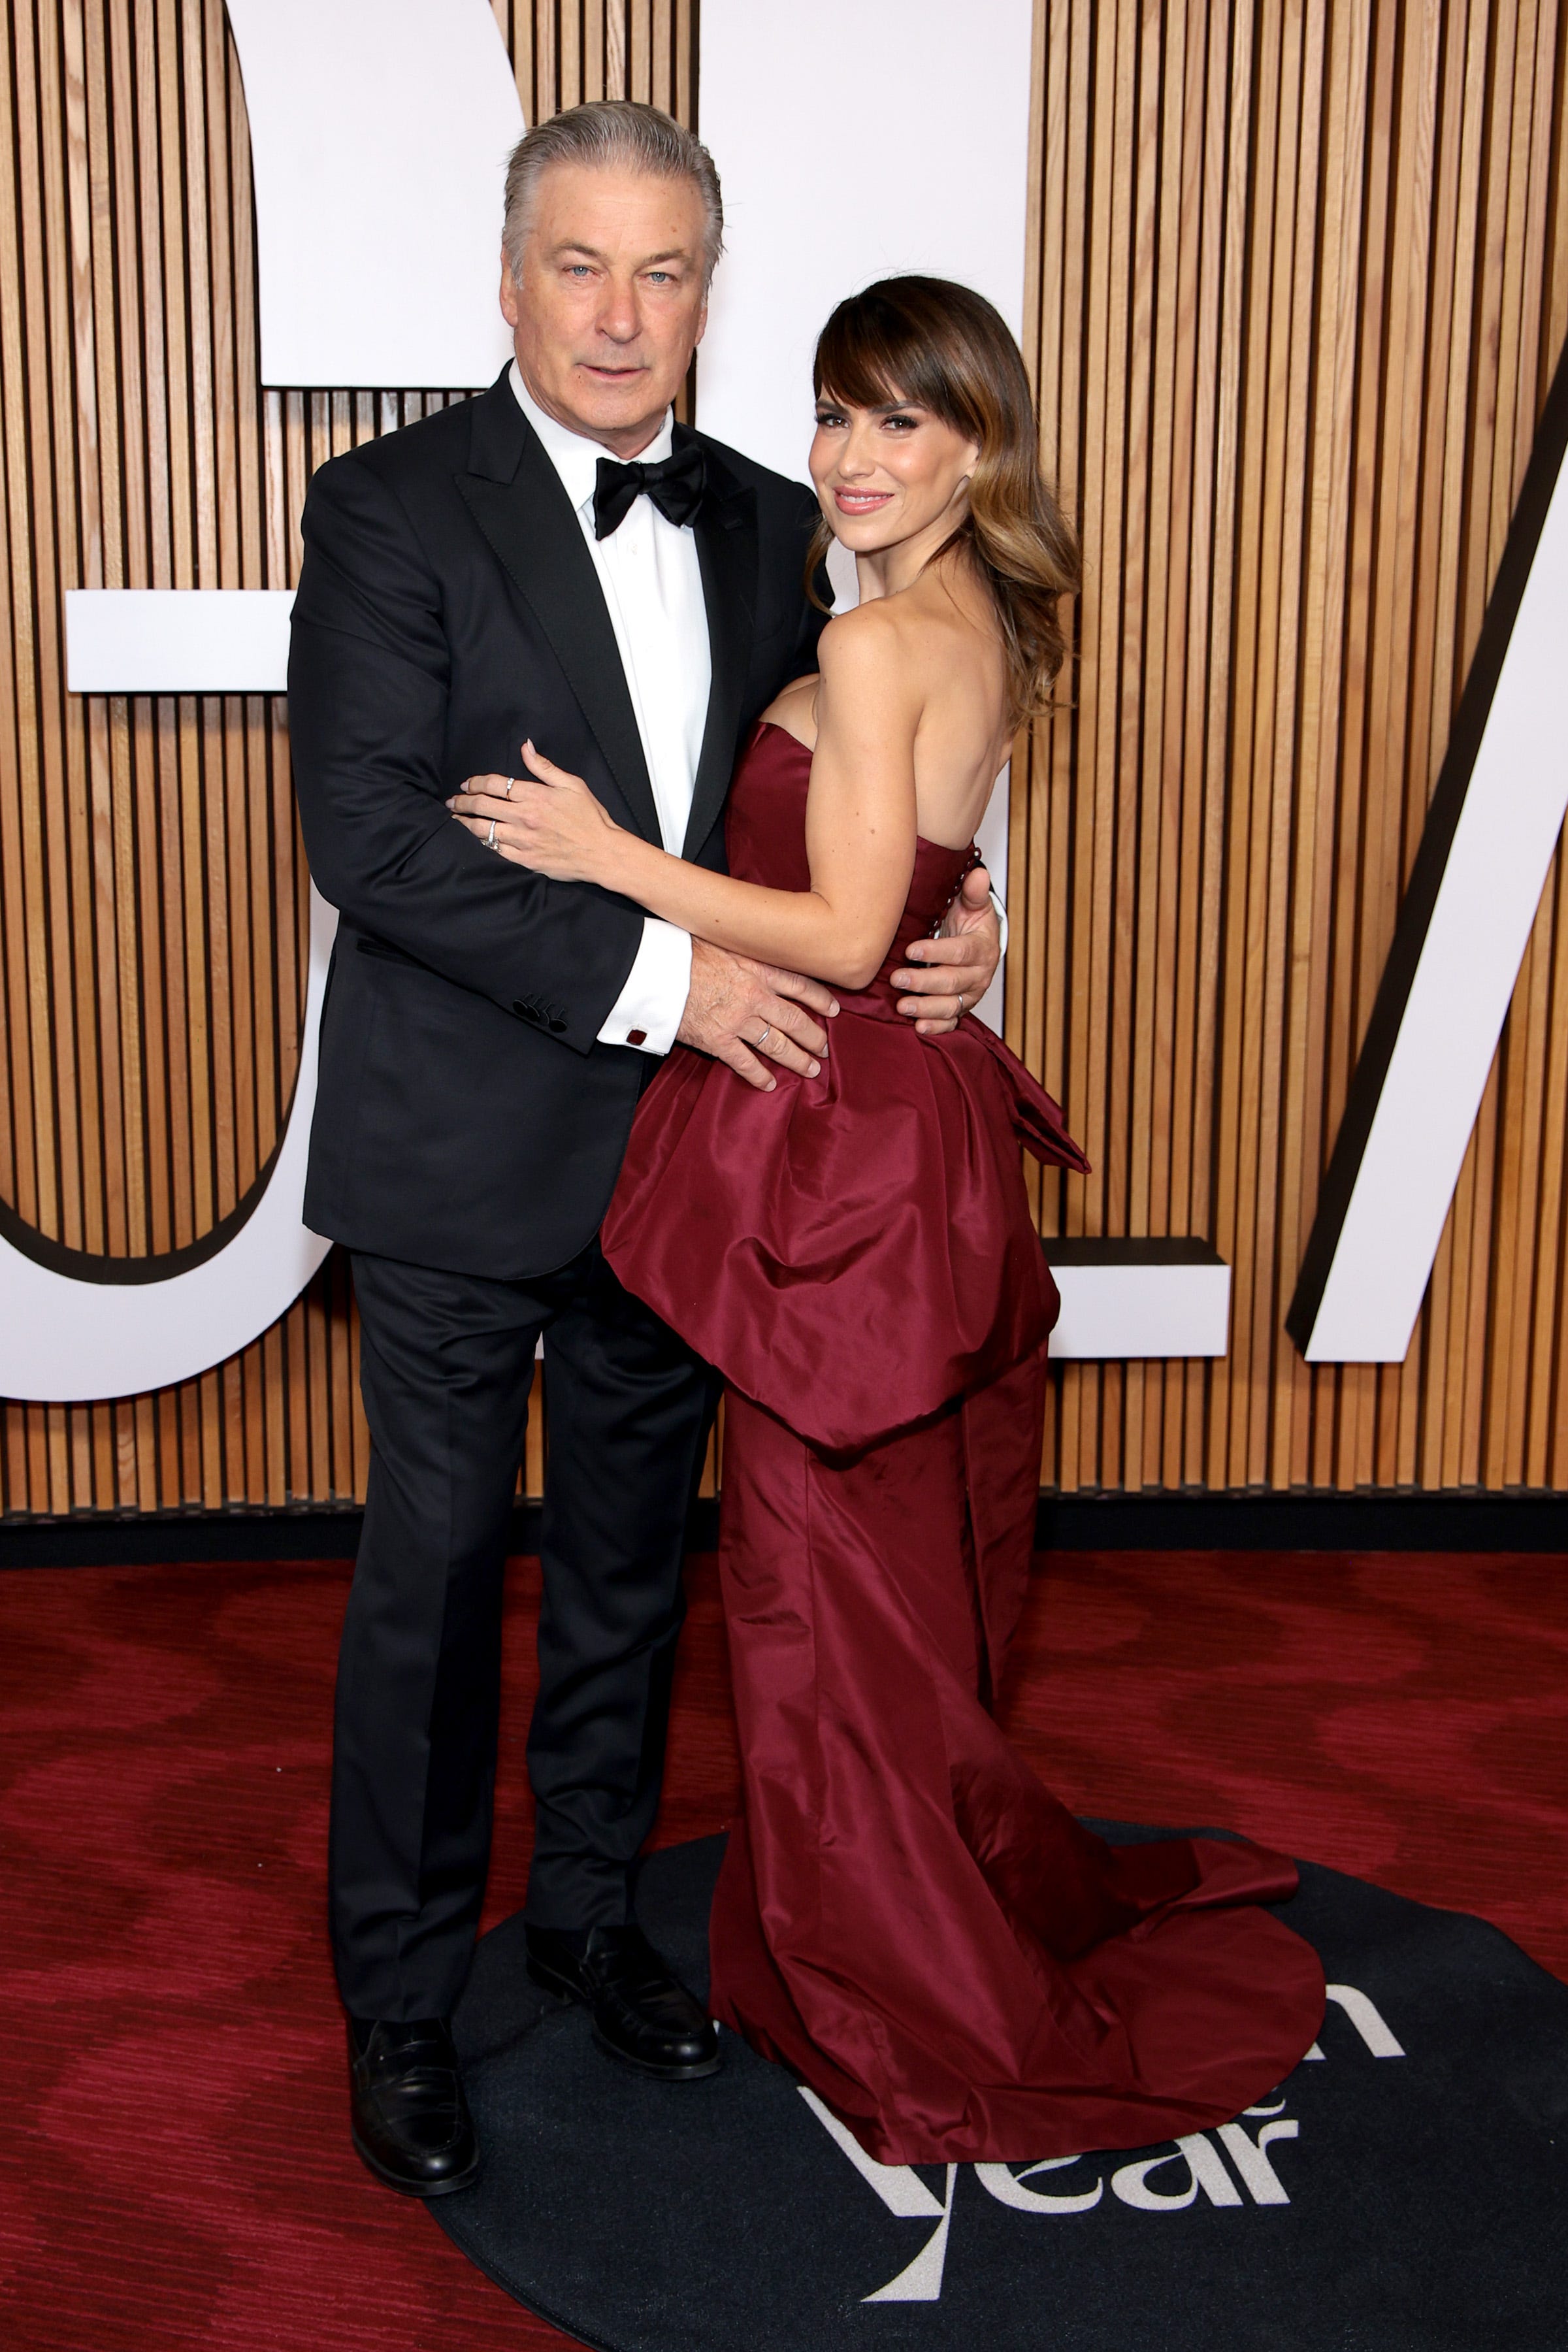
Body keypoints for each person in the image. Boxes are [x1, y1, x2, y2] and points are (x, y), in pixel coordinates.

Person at [451, 274, 1326, 2163]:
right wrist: (966, 914)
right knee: (893, 1579)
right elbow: (922, 877)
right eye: (837, 413)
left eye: (900, 421)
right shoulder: (976, 620)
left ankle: (899, 1978)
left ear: (977, 446)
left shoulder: (868, 644)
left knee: (819, 1591)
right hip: (912, 1135)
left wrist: (610, 858)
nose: (851, 457)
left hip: (841, 1161)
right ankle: (909, 1905)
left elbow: (849, 936)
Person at [287, 108, 1002, 2197]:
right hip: (459, 1147)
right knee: (436, 1582)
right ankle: (402, 2001)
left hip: (703, 1163)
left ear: (709, 292)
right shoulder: (388, 505)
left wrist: (961, 918)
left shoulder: (783, 524)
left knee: (626, 1573)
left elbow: (833, 807)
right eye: (581, 266)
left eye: (664, 271)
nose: (620, 315)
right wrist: (656, 983)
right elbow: (373, 839)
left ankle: (590, 1920)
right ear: (508, 282)